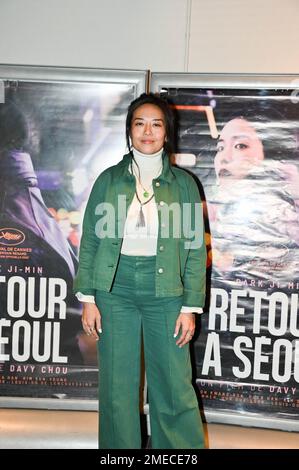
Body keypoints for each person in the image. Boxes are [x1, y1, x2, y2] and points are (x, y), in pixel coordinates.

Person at [74, 92, 207, 449]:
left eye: (156, 123)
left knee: (174, 385)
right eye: (139, 123)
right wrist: (88, 297)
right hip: (113, 291)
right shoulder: (108, 180)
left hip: (166, 292)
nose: (147, 131)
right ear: (129, 131)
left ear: (167, 133)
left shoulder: (184, 185)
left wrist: (190, 307)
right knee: (117, 387)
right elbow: (90, 240)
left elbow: (195, 249)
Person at [207, 107, 299, 276]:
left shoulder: (287, 221)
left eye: (240, 145)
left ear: (271, 157)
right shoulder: (211, 217)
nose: (224, 157)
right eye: (220, 148)